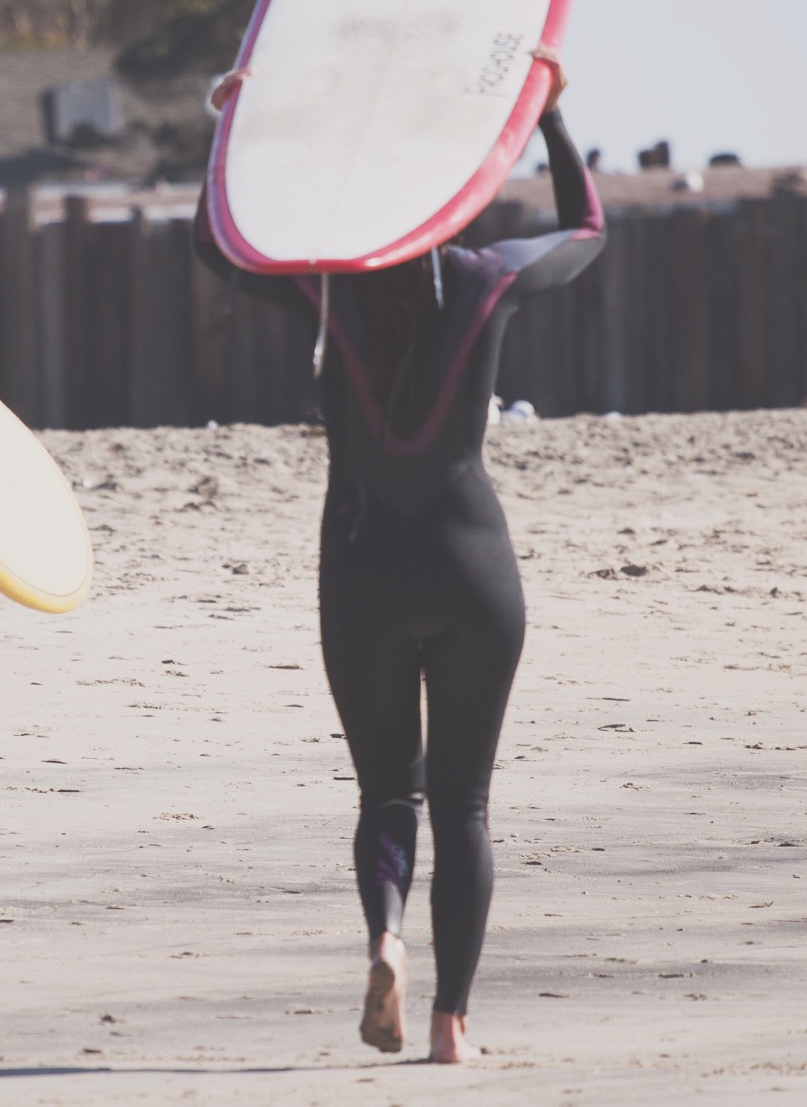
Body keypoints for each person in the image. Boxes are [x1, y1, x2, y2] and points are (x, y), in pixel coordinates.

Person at [194, 52, 605, 1062]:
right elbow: (588, 231)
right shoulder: (487, 276)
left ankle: (384, 935)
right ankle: (449, 1027)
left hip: (363, 565)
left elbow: (212, 240)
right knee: (463, 802)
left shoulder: (324, 286)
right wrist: (549, 117)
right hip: (472, 567)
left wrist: (235, 122)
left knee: (389, 793)